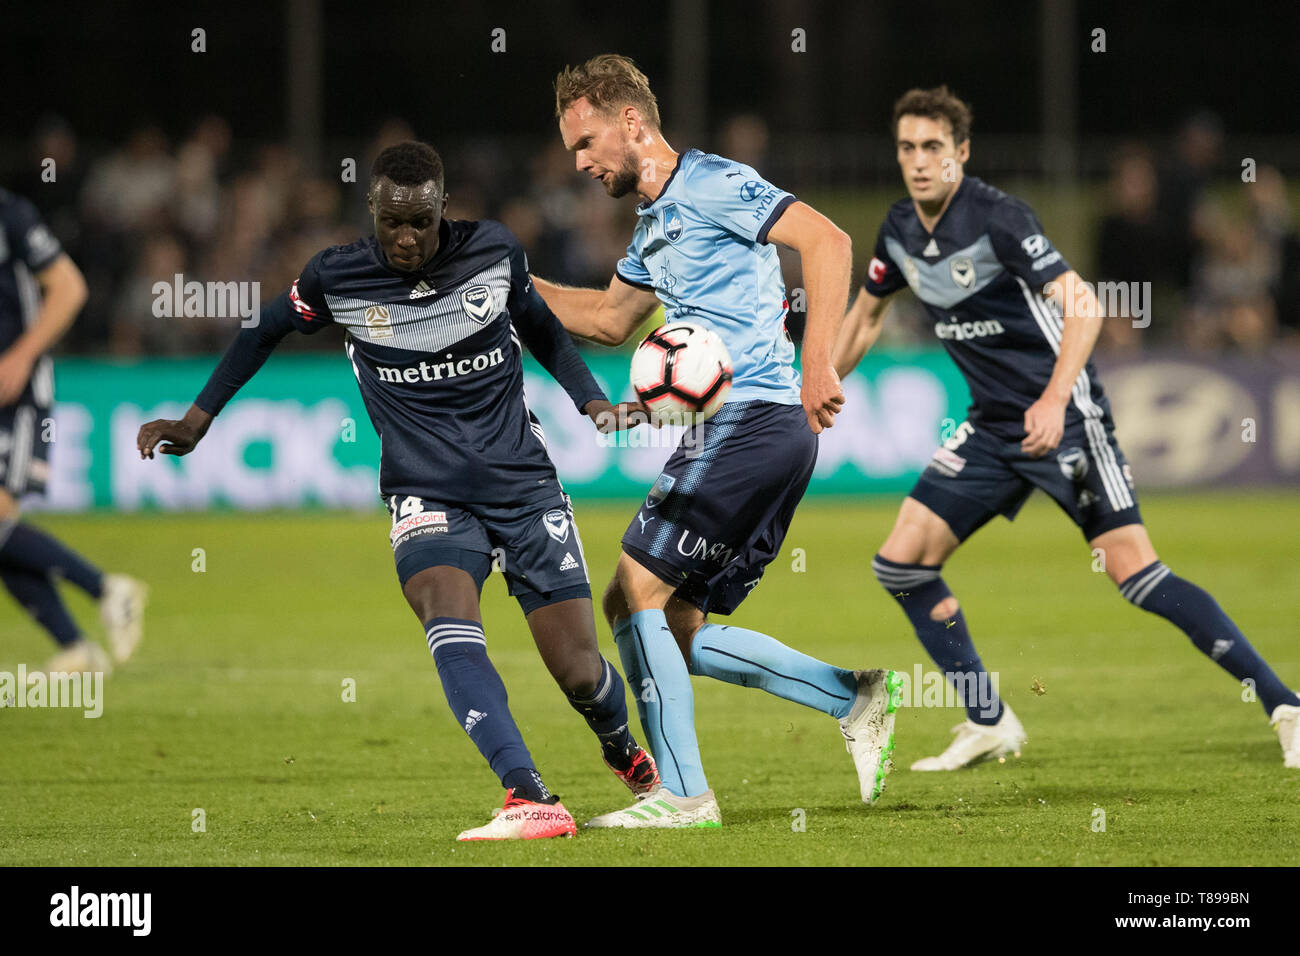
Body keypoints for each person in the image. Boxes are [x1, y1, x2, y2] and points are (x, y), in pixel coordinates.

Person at [136, 142, 661, 841]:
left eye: (420, 221)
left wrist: (593, 404)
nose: (406, 238)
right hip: (426, 493)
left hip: (523, 485)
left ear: (444, 208)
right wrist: (196, 421)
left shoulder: (495, 253)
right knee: (448, 616)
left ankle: (622, 746)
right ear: (373, 213)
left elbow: (542, 329)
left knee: (577, 672)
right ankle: (528, 793)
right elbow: (262, 330)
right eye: (392, 223)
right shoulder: (337, 277)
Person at [833, 86, 1299, 770]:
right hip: (992, 427)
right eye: (907, 147)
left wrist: (1054, 400)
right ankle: (987, 720)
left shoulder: (998, 218)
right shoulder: (900, 229)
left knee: (1133, 571)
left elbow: (1082, 305)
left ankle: (1285, 705)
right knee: (902, 563)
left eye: (934, 147)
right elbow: (867, 316)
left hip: (1067, 418)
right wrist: (818, 382)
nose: (919, 161)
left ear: (961, 153)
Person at [533, 55, 901, 829]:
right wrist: (505, 280)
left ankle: (684, 797)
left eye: (587, 141)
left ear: (631, 121)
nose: (582, 163)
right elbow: (606, 321)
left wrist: (818, 363)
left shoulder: (712, 182)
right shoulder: (653, 225)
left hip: (756, 419)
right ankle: (852, 695)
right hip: (741, 432)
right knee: (671, 623)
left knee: (634, 595)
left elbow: (828, 242)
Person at [0, 187, 145, 673]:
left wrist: (21, 355)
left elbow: (69, 286)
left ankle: (105, 588)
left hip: (13, 393)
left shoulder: (9, 214)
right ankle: (77, 645)